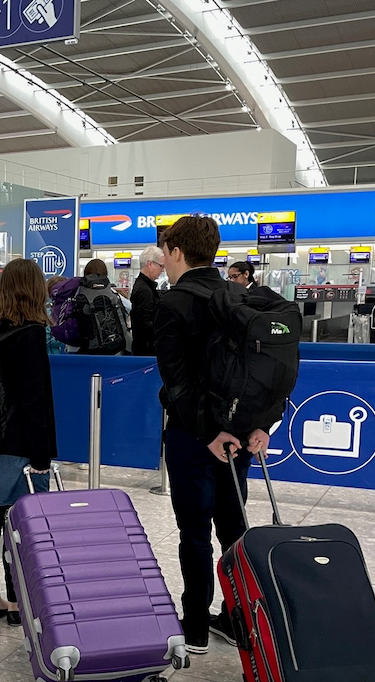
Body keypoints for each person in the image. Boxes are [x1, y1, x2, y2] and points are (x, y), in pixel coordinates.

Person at [154, 214, 273, 654]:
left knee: (193, 532)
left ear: (177, 251)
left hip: (194, 437)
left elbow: (177, 380)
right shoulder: (238, 295)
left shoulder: (175, 303)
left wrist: (205, 433)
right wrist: (261, 423)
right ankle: (240, 619)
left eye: (165, 252)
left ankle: (198, 625)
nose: (164, 261)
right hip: (240, 436)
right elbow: (267, 370)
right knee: (233, 528)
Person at [0, 258, 57, 628]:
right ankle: (19, 603)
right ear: (35, 290)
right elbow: (34, 400)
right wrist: (41, 455)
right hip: (19, 445)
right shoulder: (30, 333)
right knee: (23, 528)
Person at [130, 246, 165, 356]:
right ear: (150, 264)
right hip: (146, 351)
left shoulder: (144, 286)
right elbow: (144, 324)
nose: (162, 270)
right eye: (161, 266)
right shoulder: (144, 290)